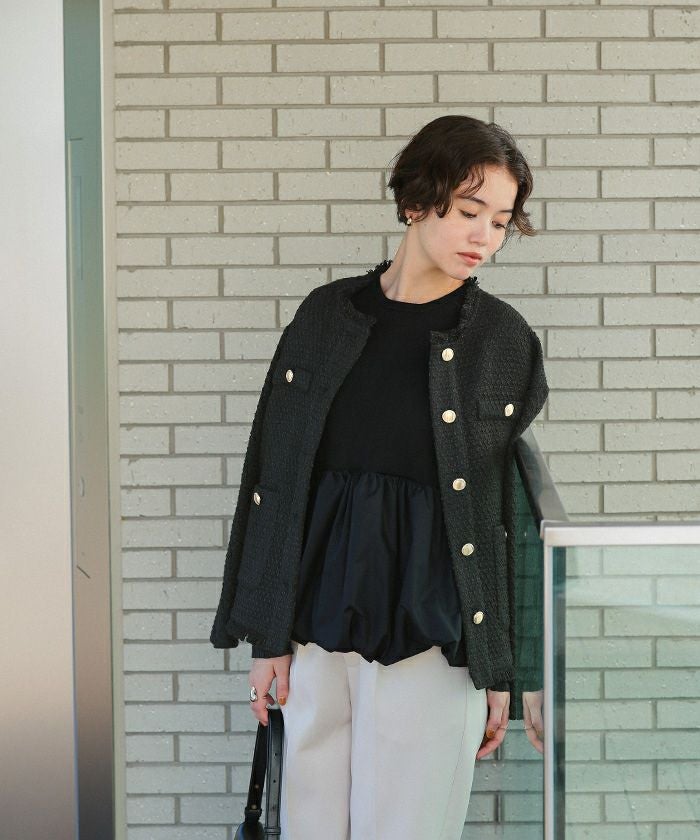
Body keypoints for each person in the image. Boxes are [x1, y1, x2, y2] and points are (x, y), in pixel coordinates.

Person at [210, 114, 549, 840]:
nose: (484, 237)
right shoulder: (324, 317)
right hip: (315, 631)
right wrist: (267, 638)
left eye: (499, 221)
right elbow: (275, 479)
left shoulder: (501, 341)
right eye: (469, 211)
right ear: (417, 201)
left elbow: (507, 514)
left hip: (434, 634)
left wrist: (506, 671)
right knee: (310, 827)